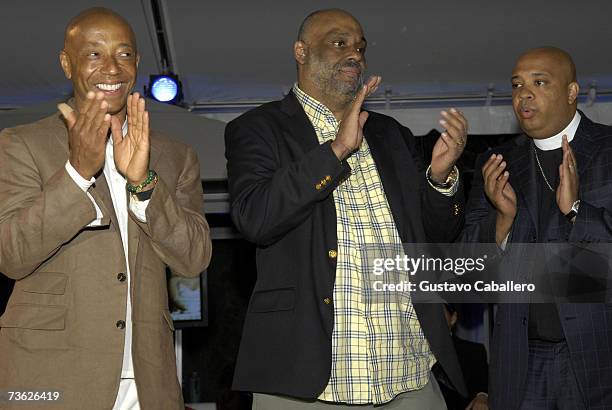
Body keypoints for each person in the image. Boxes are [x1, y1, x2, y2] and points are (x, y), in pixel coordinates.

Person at [226, 8, 469, 409]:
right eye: (339, 43)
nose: (355, 54)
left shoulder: (391, 135)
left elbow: (436, 240)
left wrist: (440, 181)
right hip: (307, 379)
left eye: (360, 46)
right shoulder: (258, 129)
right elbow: (256, 218)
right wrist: (337, 151)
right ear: (301, 52)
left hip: (406, 372)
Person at [0, 8, 211, 410]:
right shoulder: (21, 143)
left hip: (149, 381)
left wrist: (144, 184)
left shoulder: (175, 155)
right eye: (94, 54)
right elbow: (11, 255)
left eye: (124, 54)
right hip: (50, 380)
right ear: (67, 62)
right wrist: (77, 172)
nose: (112, 67)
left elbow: (194, 258)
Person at [460, 46, 612, 409]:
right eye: (516, 85)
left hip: (598, 359)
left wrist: (577, 210)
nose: (523, 93)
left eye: (539, 82)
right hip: (520, 362)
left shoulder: (609, 149)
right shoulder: (496, 162)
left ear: (572, 92)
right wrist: (502, 222)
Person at [434, 304, 488, 410]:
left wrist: (482, 397)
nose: (432, 319)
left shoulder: (474, 352)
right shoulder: (409, 352)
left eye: (438, 313)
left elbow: (482, 388)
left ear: (453, 318)